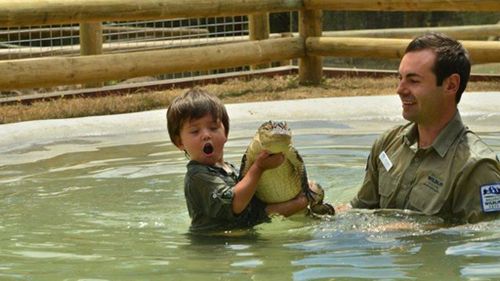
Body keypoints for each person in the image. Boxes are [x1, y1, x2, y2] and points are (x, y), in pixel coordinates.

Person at [350, 32, 500, 224]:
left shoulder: (476, 167)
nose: (400, 89)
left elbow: (484, 242)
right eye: (400, 78)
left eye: (413, 81)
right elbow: (359, 212)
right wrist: (313, 206)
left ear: (451, 85)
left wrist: (419, 231)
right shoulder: (388, 144)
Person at [166, 88, 308, 233]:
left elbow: (254, 202)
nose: (206, 135)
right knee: (304, 201)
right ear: (180, 142)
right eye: (195, 131)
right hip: (213, 245)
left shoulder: (230, 169)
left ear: (226, 132)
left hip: (244, 233)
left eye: (213, 128)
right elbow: (235, 204)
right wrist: (258, 167)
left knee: (311, 192)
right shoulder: (198, 176)